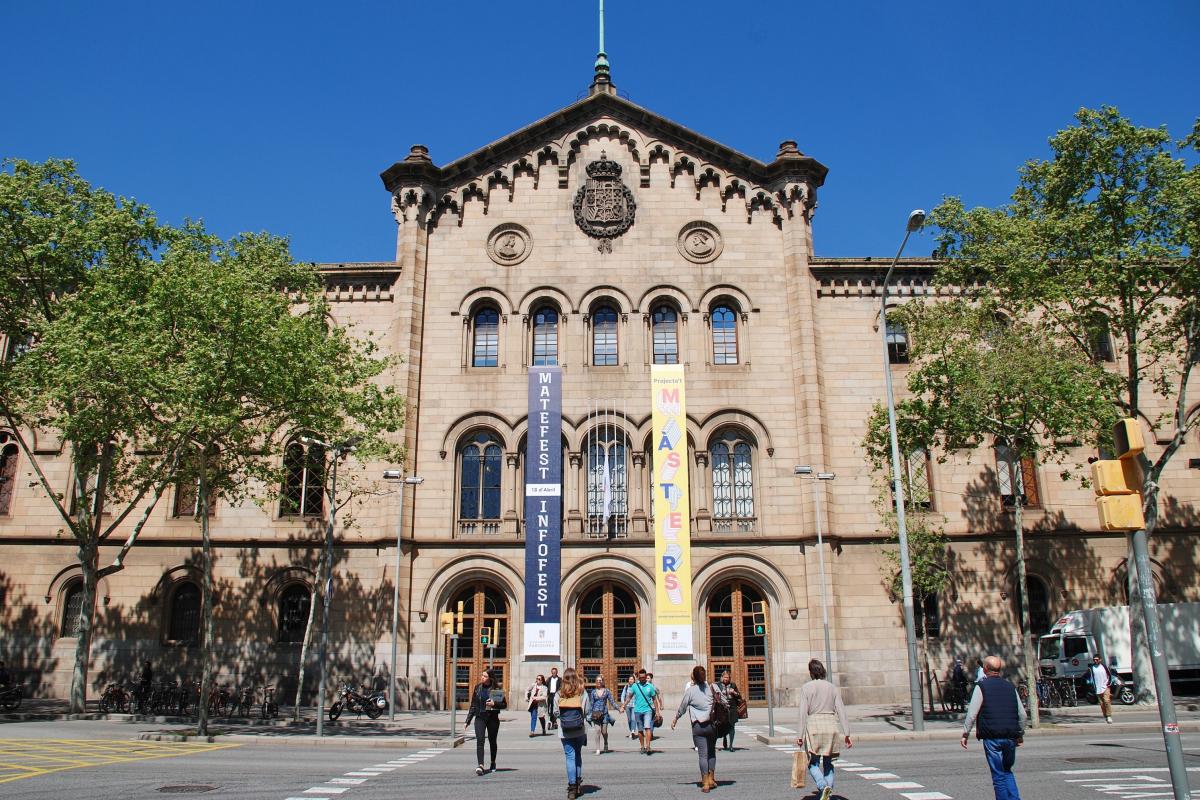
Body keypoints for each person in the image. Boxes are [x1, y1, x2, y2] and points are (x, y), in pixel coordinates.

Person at [960, 655, 1026, 800]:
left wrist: (965, 733)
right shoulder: (1010, 687)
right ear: (999, 670)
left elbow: (972, 714)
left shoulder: (981, 687)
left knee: (998, 776)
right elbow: (1022, 715)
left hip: (992, 738)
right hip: (1010, 737)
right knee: (1007, 771)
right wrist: (1020, 734)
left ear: (985, 669)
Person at [796, 658, 851, 800]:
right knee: (829, 762)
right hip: (831, 725)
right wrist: (847, 733)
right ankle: (828, 792)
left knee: (813, 763)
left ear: (811, 672)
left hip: (814, 726)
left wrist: (800, 735)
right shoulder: (832, 687)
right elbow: (841, 710)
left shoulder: (806, 688)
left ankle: (822, 786)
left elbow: (802, 713)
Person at [672, 665, 720, 793]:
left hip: (698, 726)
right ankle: (711, 779)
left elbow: (682, 707)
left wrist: (675, 719)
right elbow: (722, 701)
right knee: (711, 752)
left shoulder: (690, 691)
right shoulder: (712, 687)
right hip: (711, 725)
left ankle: (705, 784)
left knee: (702, 755)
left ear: (693, 676)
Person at [557, 667, 590, 800]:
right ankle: (577, 785)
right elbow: (587, 711)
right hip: (580, 728)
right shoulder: (582, 693)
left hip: (565, 730)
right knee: (577, 755)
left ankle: (571, 788)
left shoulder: (559, 694)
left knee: (570, 756)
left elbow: (554, 712)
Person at [463, 668, 502, 775]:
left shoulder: (496, 689)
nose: (482, 677)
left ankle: (493, 762)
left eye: (484, 676)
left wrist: (495, 704)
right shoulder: (478, 688)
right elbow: (473, 705)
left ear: (490, 677)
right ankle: (480, 765)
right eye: (482, 675)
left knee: (492, 741)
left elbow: (504, 705)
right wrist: (468, 720)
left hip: (492, 718)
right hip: (480, 717)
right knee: (480, 740)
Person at [620, 668, 660, 755]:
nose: (642, 679)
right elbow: (629, 697)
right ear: (638, 677)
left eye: (644, 677)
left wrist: (657, 712)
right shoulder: (635, 686)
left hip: (647, 710)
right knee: (640, 730)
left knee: (648, 727)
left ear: (646, 677)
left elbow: (654, 700)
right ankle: (642, 746)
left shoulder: (650, 687)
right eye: (640, 677)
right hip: (637, 710)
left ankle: (648, 746)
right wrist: (623, 706)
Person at [587, 675, 619, 754]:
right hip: (595, 714)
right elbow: (591, 704)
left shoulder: (606, 691)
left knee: (604, 732)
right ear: (595, 682)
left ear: (602, 682)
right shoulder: (593, 692)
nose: (599, 682)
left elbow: (612, 702)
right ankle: (598, 749)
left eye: (600, 680)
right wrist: (589, 715)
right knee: (597, 731)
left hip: (604, 714)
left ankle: (605, 742)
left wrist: (619, 708)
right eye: (597, 680)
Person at [714, 669, 742, 751]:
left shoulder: (733, 685)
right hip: (721, 710)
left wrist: (734, 692)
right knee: (718, 727)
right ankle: (714, 744)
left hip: (731, 709)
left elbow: (739, 697)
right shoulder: (717, 685)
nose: (726, 679)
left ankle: (731, 745)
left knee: (731, 727)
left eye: (728, 677)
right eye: (725, 677)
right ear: (722, 677)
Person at [1088, 654, 1114, 724]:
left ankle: (1109, 716)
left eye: (1097, 659)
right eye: (1094, 660)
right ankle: (1105, 715)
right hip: (1097, 688)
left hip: (1105, 687)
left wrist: (1108, 684)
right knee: (1102, 704)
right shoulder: (1091, 668)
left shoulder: (1104, 667)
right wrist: (1092, 686)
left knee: (1106, 701)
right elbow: (1090, 677)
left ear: (1100, 660)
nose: (1095, 661)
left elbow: (1109, 675)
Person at [620, 675, 638, 739]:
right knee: (629, 720)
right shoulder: (626, 686)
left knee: (633, 719)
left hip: (634, 705)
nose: (630, 680)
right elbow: (622, 695)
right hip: (627, 706)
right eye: (629, 679)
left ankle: (633, 731)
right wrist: (623, 704)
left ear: (634, 680)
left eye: (632, 679)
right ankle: (631, 731)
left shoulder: (636, 686)